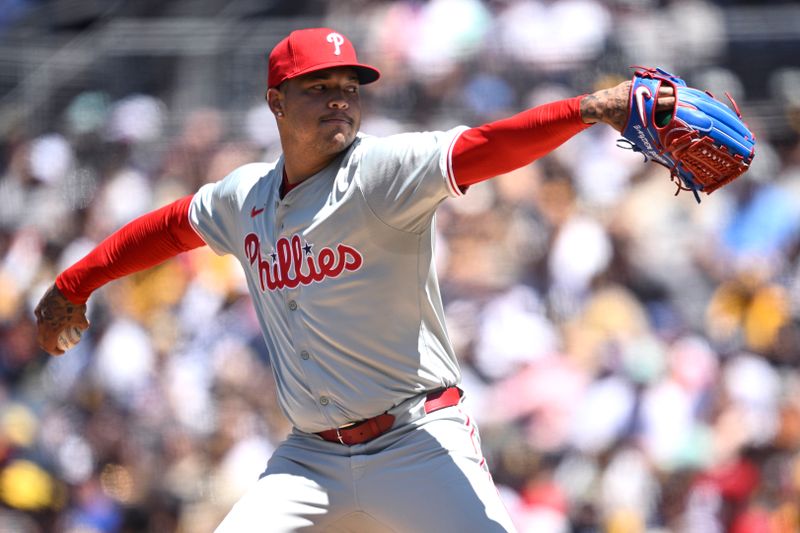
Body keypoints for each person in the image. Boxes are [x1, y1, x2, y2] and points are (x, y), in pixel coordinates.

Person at [35, 28, 674, 532]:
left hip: (417, 442)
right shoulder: (245, 197)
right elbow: (172, 225)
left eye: (349, 85)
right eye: (318, 86)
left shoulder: (380, 172)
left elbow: (482, 147)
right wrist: (75, 283)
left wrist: (586, 108)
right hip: (309, 458)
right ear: (276, 102)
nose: (340, 97)